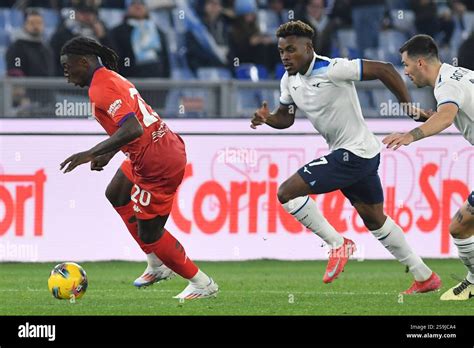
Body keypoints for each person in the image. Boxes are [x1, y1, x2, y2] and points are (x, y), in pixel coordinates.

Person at [251, 21, 441, 294]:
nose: (284, 56)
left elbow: (385, 69)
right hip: (361, 153)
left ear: (308, 48)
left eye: (291, 50)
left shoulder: (333, 68)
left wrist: (407, 107)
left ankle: (337, 244)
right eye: (281, 51)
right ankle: (425, 277)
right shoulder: (288, 80)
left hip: (353, 154)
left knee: (286, 192)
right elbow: (285, 119)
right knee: (376, 220)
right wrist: (266, 118)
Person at [58, 36, 218, 300]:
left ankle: (201, 283)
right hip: (157, 147)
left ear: (83, 62)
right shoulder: (109, 77)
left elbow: (133, 128)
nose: (65, 73)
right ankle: (157, 264)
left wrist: (90, 153)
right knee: (117, 193)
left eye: (67, 66)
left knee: (150, 233)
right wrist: (109, 154)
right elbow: (130, 127)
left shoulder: (101, 88)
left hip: (157, 161)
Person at [383, 34, 474, 300]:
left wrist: (411, 135)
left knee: (460, 227)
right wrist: (424, 117)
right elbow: (451, 113)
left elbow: (446, 118)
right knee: (460, 227)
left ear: (420, 63)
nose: (406, 72)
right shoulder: (458, 75)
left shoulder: (445, 86)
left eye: (406, 65)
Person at [108, 0, 170, 78]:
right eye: (133, 3)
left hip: (157, 79)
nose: (138, 6)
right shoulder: (117, 32)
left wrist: (166, 80)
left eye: (142, 3)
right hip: (130, 80)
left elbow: (165, 59)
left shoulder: (158, 31)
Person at [6, 9, 54, 77]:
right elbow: (15, 71)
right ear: (25, 24)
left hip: (46, 87)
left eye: (39, 23)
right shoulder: (17, 48)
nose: (36, 26)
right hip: (27, 86)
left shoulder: (46, 48)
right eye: (32, 23)